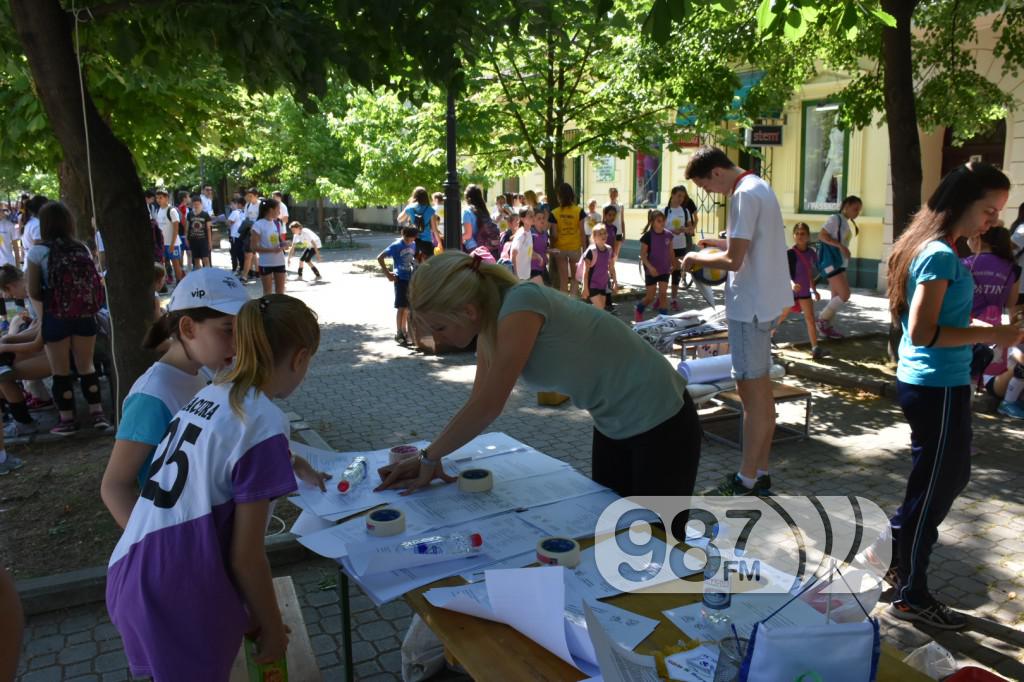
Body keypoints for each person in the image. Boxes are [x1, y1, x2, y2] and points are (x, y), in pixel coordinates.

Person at [106, 294, 322, 681]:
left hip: (133, 574)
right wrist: (272, 628)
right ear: (300, 357)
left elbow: (218, 456)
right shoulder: (265, 420)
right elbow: (246, 557)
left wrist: (255, 615)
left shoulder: (210, 393)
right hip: (181, 594)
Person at [376, 252, 701, 505]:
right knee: (612, 527)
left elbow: (489, 406)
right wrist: (429, 458)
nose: (438, 339)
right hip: (613, 425)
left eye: (440, 327)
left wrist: (430, 456)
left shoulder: (521, 304)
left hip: (662, 420)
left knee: (658, 544)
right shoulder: (491, 322)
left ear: (468, 311)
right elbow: (477, 401)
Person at [868, 162, 1024, 630]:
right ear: (961, 204)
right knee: (936, 487)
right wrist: (992, 332)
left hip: (944, 384)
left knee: (942, 480)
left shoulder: (944, 250)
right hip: (935, 386)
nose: (994, 219)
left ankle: (893, 549)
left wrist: (982, 332)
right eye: (988, 209)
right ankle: (911, 592)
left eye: (998, 211)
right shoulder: (937, 253)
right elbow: (923, 331)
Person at [100, 268, 248, 529]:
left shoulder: (205, 373)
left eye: (242, 332)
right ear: (188, 328)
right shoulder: (152, 396)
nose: (238, 345)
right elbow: (115, 486)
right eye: (228, 330)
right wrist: (147, 544)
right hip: (182, 537)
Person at [682, 147, 792, 496]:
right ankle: (759, 472)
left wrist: (696, 257)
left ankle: (745, 479)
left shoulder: (743, 194)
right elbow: (750, 244)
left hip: (750, 308)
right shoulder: (759, 186)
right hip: (765, 303)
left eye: (706, 185)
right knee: (761, 394)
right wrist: (717, 241)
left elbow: (734, 259)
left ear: (716, 172)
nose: (711, 193)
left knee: (751, 394)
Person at [26, 202, 110, 435]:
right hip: (84, 315)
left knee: (60, 370)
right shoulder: (81, 248)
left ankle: (67, 419)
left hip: (56, 316)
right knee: (87, 365)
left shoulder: (37, 252)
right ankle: (97, 414)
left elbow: (32, 290)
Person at [961, 226, 1022, 417]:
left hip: (967, 327)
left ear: (979, 238)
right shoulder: (1012, 268)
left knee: (964, 378)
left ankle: (960, 422)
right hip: (995, 333)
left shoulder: (964, 264)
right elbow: (1011, 302)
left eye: (970, 237)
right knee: (986, 373)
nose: (968, 241)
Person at [775, 223, 825, 360]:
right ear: (793, 236)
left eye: (803, 233)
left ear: (808, 236)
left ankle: (815, 348)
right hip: (790, 292)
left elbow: (809, 273)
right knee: (782, 316)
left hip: (804, 293)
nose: (800, 236)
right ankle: (767, 338)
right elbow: (785, 273)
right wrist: (792, 284)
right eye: (797, 233)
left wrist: (814, 290)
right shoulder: (790, 254)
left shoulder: (811, 253)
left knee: (810, 319)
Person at [816, 195, 863, 339]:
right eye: (855, 209)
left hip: (840, 263)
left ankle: (827, 327)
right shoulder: (835, 219)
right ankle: (822, 320)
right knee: (845, 294)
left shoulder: (844, 222)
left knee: (835, 297)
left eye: (859, 210)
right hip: (832, 263)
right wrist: (841, 247)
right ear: (846, 206)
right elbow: (822, 236)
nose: (857, 213)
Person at [378, 226, 418, 346]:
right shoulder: (396, 245)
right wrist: (388, 273)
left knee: (407, 308)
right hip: (400, 279)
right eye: (408, 239)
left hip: (410, 278)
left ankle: (406, 332)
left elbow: (412, 258)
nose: (410, 242)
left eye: (412, 240)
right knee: (401, 307)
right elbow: (380, 257)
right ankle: (399, 332)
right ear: (403, 235)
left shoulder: (413, 244)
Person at [550, 183, 586, 297]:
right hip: (574, 248)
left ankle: (563, 305)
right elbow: (582, 232)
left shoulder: (554, 213)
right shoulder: (579, 211)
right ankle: (573, 302)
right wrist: (585, 250)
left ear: (559, 196)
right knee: (575, 279)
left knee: (563, 280)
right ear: (572, 195)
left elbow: (554, 234)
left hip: (560, 249)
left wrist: (551, 247)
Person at [635, 210, 672, 321]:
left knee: (663, 295)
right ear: (652, 222)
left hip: (664, 270)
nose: (662, 223)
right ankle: (639, 309)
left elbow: (671, 252)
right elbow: (642, 255)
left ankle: (663, 320)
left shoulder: (669, 235)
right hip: (651, 271)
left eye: (663, 221)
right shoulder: (648, 236)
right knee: (650, 297)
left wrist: (672, 265)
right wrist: (650, 267)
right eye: (659, 221)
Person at [664, 185, 695, 311]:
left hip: (680, 246)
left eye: (683, 197)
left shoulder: (685, 211)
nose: (681, 199)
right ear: (672, 195)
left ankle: (674, 299)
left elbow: (691, 229)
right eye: (679, 196)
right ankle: (662, 298)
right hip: (666, 247)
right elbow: (658, 230)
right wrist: (671, 231)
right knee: (665, 273)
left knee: (677, 272)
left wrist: (685, 229)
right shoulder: (664, 211)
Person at [250, 198, 287, 295]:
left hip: (280, 262)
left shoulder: (277, 223)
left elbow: (279, 241)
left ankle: (278, 310)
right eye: (278, 209)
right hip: (266, 263)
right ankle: (266, 310)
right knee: (268, 293)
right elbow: (253, 247)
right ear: (271, 210)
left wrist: (285, 244)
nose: (279, 212)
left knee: (280, 293)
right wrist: (272, 250)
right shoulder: (258, 225)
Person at [399, 187, 439, 262]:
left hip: (412, 240)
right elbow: (434, 229)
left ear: (414, 196)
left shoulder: (410, 207)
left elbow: (399, 219)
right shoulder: (430, 210)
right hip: (427, 241)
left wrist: (409, 212)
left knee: (413, 263)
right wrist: (439, 242)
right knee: (431, 263)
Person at [461, 184, 500, 258]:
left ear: (468, 198)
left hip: (473, 247)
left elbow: (468, 235)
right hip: (486, 247)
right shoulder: (483, 210)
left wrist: (458, 238)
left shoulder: (467, 211)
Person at [581, 224, 614, 310]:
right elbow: (586, 271)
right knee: (600, 309)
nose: (603, 235)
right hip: (592, 285)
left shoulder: (609, 249)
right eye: (600, 234)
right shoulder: (591, 251)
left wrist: (615, 281)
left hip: (603, 284)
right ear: (594, 237)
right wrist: (585, 288)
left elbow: (611, 266)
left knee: (600, 308)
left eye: (604, 233)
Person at [155, 189, 184, 283]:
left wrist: (172, 243)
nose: (158, 200)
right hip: (163, 244)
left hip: (173, 243)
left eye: (161, 198)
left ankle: (179, 282)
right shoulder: (159, 210)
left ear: (167, 198)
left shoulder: (172, 210)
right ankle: (166, 282)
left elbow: (176, 228)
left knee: (176, 264)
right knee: (165, 264)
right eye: (157, 198)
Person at [187, 195, 213, 269]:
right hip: (193, 240)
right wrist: (187, 239)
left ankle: (208, 275)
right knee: (196, 260)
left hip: (203, 240)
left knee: (206, 259)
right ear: (192, 204)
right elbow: (187, 228)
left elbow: (208, 229)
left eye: (198, 204)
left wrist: (210, 242)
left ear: (201, 204)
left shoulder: (205, 215)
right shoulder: (189, 214)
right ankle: (199, 277)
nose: (196, 206)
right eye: (194, 204)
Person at [510, 208, 534, 281]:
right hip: (519, 277)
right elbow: (513, 253)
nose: (533, 218)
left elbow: (527, 250)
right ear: (522, 219)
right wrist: (515, 274)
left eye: (533, 215)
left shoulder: (528, 232)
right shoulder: (521, 234)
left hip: (525, 274)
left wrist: (537, 256)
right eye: (530, 216)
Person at [530, 206, 550, 285]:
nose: (542, 220)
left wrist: (550, 251)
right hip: (532, 268)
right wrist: (538, 256)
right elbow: (528, 251)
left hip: (542, 267)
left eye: (543, 218)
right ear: (533, 221)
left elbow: (543, 249)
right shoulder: (531, 234)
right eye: (539, 218)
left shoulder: (545, 233)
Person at [606, 187, 626, 260]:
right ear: (609, 195)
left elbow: (622, 220)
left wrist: (624, 233)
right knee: (607, 251)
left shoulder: (621, 206)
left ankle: (612, 267)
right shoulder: (606, 206)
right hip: (608, 232)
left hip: (618, 232)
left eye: (614, 194)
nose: (613, 196)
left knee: (615, 253)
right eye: (611, 194)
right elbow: (603, 220)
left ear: (617, 195)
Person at [226, 196, 245, 275]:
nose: (231, 206)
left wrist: (227, 223)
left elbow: (228, 222)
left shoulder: (234, 212)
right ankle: (242, 268)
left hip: (235, 235)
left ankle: (237, 268)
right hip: (242, 235)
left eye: (232, 204)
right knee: (241, 252)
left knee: (235, 252)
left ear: (236, 204)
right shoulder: (243, 212)